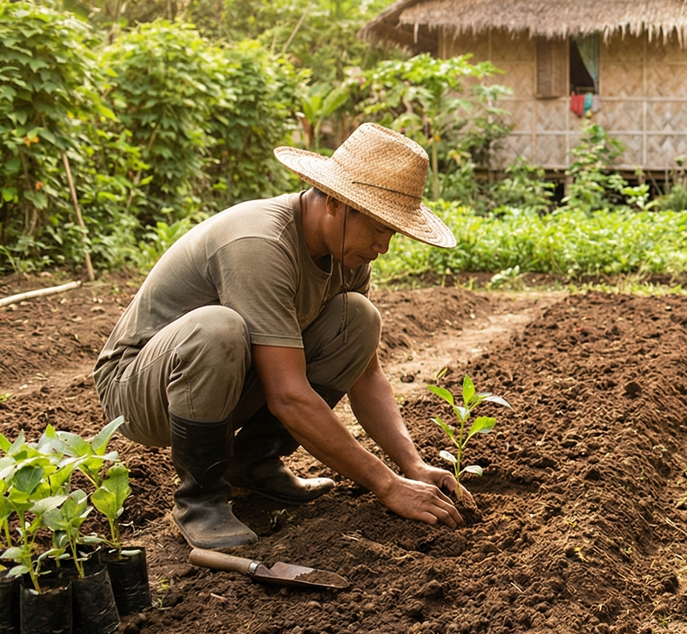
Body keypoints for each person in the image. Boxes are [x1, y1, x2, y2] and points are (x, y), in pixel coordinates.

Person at [94, 123, 474, 550]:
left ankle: (253, 464)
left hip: (223, 381)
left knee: (359, 319)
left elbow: (366, 376)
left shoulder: (347, 256)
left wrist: (413, 465)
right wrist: (386, 485)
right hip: (138, 387)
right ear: (334, 202)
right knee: (218, 328)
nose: (382, 246)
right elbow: (287, 395)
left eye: (391, 232)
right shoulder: (260, 241)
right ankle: (199, 499)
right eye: (379, 228)